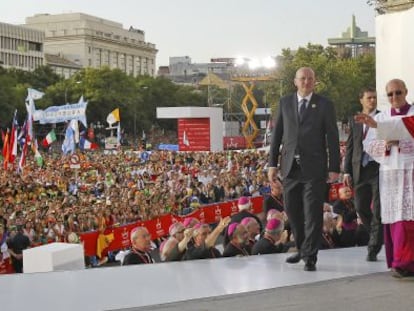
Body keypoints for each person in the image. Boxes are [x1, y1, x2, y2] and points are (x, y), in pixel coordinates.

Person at [268, 67, 340, 271]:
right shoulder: (285, 103)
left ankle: (310, 256)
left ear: (314, 82)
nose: (306, 82)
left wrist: (334, 167)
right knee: (292, 211)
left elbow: (333, 137)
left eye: (310, 79)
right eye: (302, 79)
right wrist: (272, 164)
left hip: (314, 168)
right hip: (290, 167)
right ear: (295, 81)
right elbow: (277, 136)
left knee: (312, 212)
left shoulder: (325, 104)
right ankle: (302, 247)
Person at [355, 78, 414, 278]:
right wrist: (387, 144)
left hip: (411, 171)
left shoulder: (413, 113)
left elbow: (408, 128)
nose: (394, 97)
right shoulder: (382, 117)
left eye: (398, 92)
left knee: (409, 219)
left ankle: (407, 262)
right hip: (390, 175)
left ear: (405, 91)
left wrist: (396, 138)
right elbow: (369, 145)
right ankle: (399, 261)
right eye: (390, 94)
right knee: (395, 218)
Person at [343, 87, 382, 261]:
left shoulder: (383, 117)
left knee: (379, 209)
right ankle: (377, 235)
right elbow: (351, 146)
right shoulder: (354, 120)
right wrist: (346, 171)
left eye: (374, 98)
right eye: (369, 98)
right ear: (362, 100)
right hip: (360, 170)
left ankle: (373, 247)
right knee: (360, 207)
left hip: (378, 168)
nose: (372, 101)